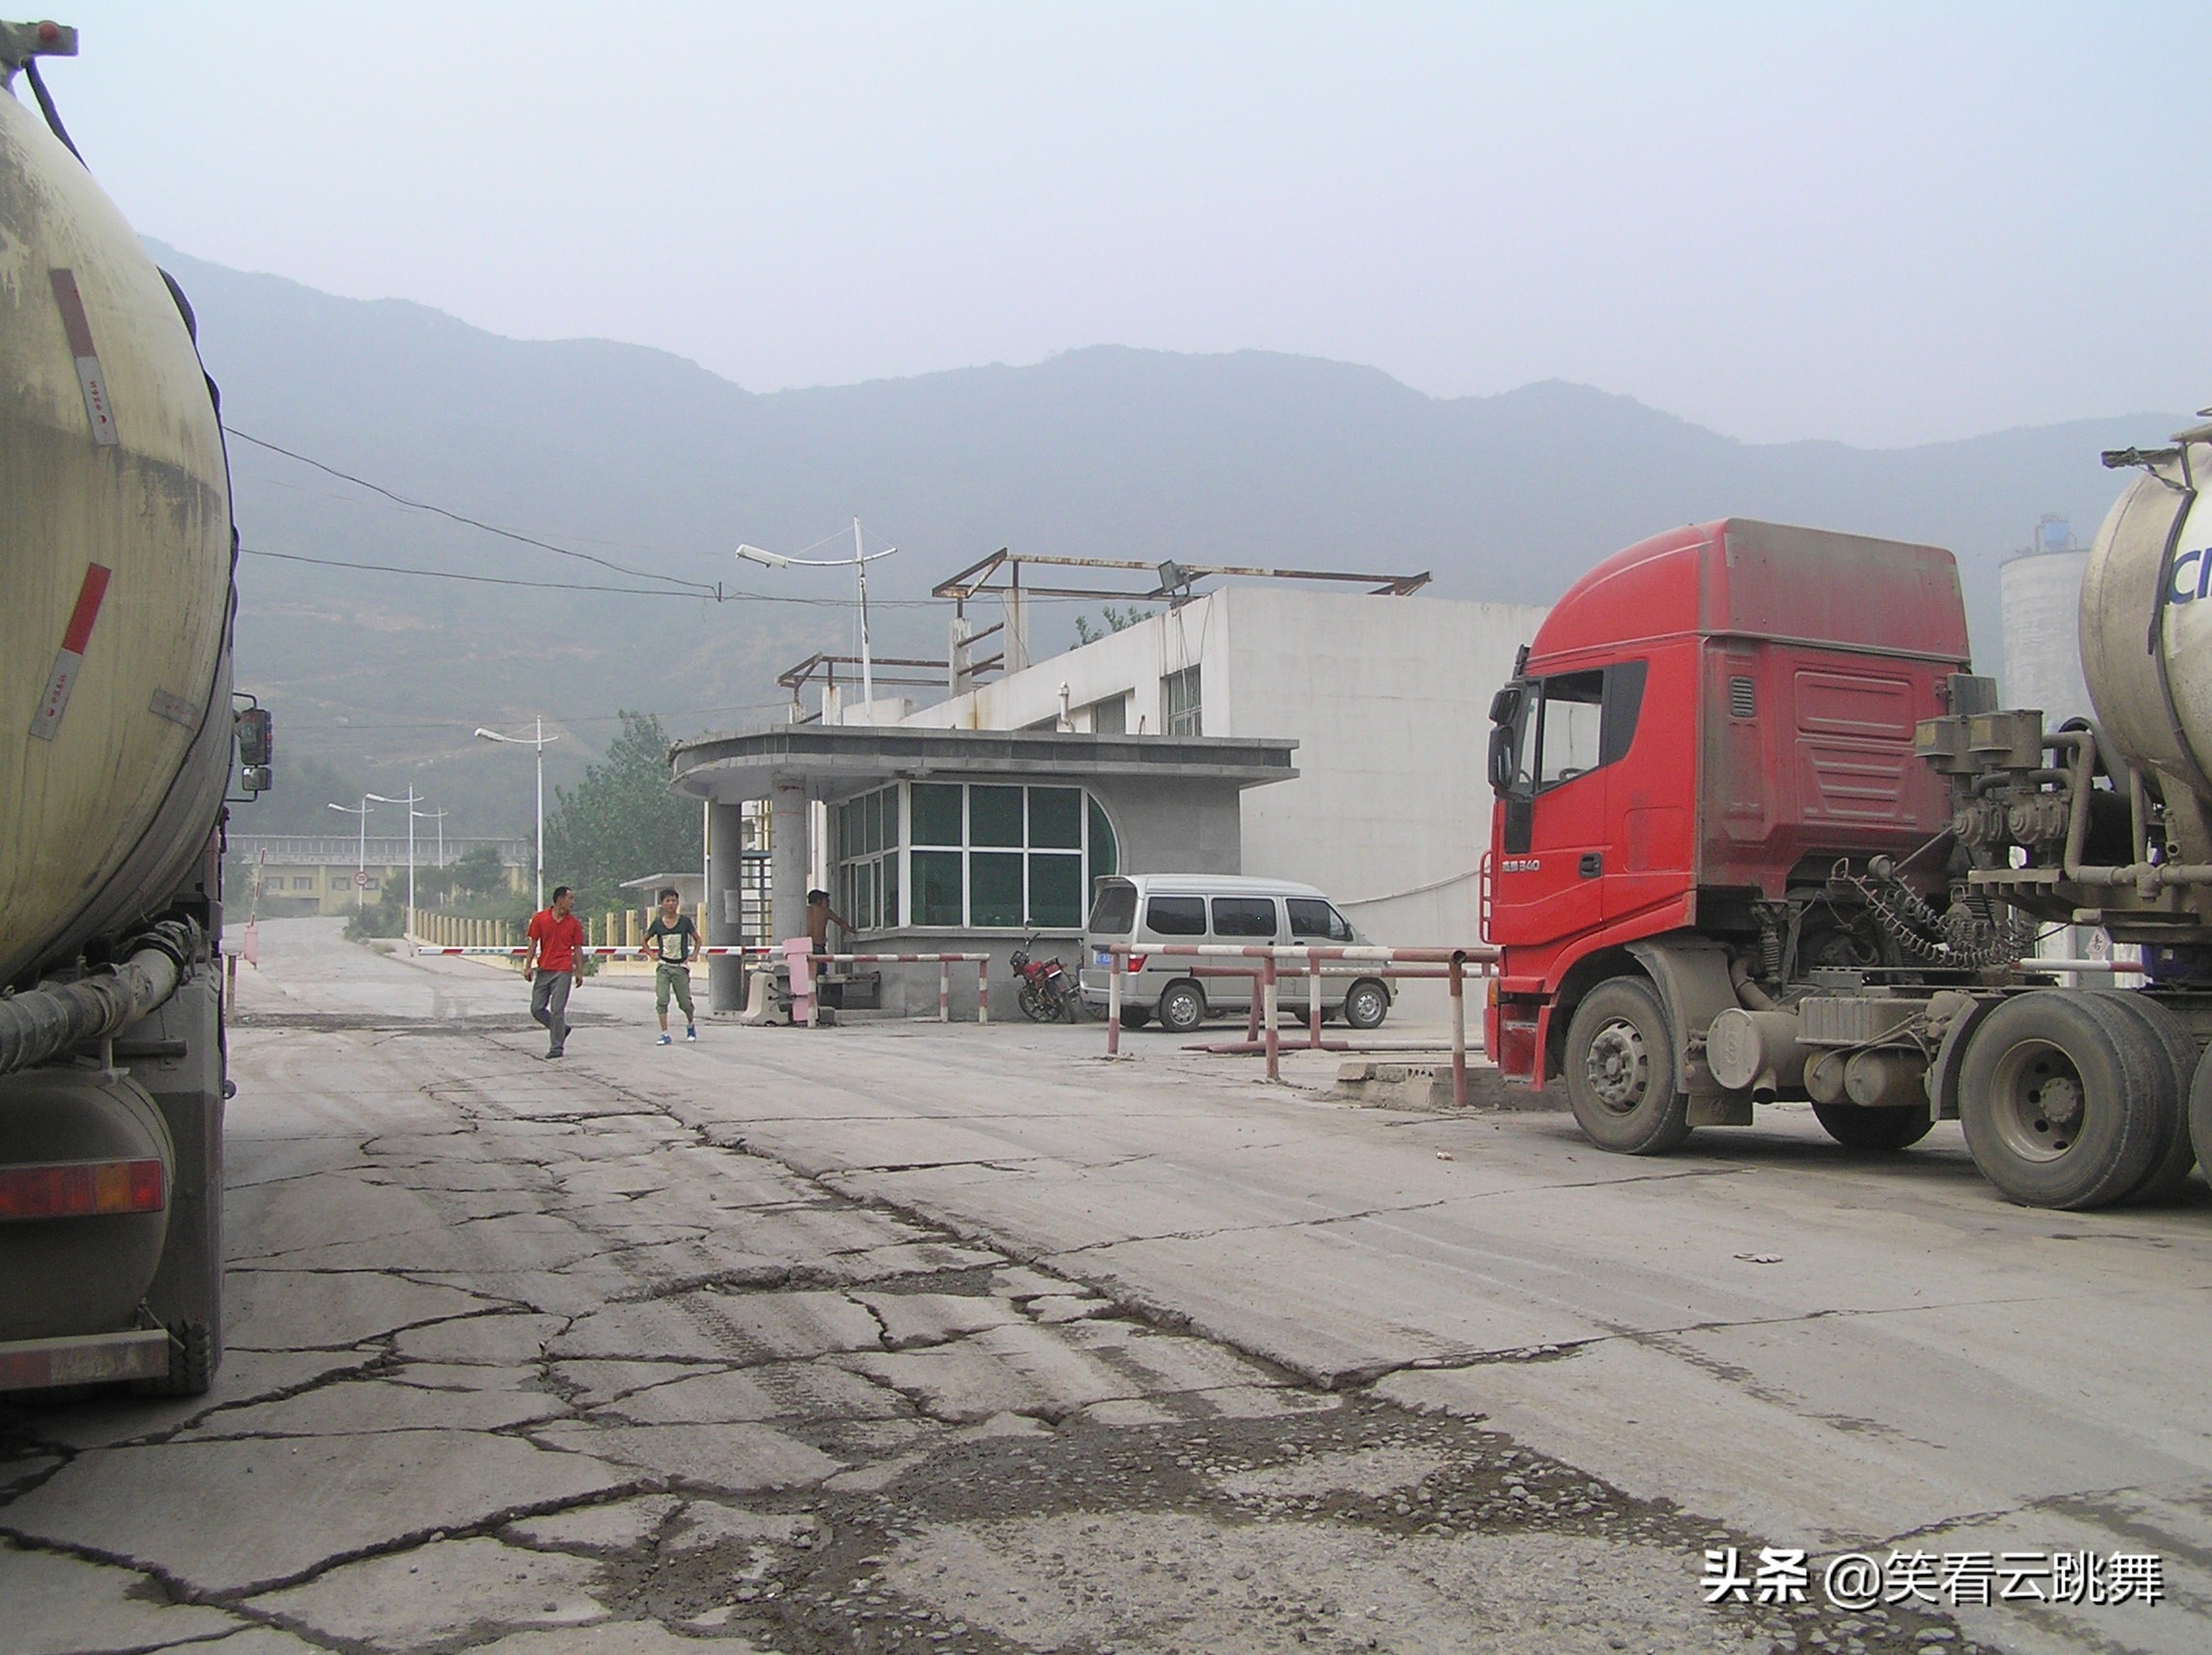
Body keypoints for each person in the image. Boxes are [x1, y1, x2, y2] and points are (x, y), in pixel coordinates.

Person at [523, 885, 586, 1058]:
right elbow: (533, 943)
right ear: (560, 899)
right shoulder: (540, 919)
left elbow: (578, 948)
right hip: (544, 968)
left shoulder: (573, 923)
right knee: (536, 1008)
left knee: (558, 1009)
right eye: (570, 898)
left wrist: (579, 971)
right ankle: (560, 1029)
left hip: (563, 969)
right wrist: (528, 966)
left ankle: (556, 1047)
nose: (573, 902)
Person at [641, 886, 698, 1045]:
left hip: (680, 966)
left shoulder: (685, 922)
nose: (671, 904)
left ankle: (690, 1024)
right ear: (662, 904)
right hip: (664, 966)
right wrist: (651, 954)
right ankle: (664, 1033)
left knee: (685, 1002)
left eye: (674, 900)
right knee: (662, 999)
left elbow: (697, 938)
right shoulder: (658, 923)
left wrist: (693, 955)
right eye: (668, 901)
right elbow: (644, 940)